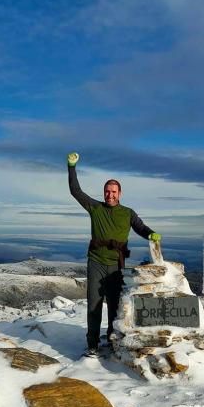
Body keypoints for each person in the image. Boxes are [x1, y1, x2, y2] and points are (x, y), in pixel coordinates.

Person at [67, 152, 161, 355]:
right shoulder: (95, 208)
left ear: (120, 193)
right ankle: (92, 344)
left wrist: (152, 234)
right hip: (96, 263)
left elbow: (140, 227)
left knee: (114, 307)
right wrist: (72, 166)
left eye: (114, 192)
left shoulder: (127, 213)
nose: (110, 195)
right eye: (107, 191)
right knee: (94, 306)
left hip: (116, 266)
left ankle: (111, 339)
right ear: (104, 193)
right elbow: (76, 191)